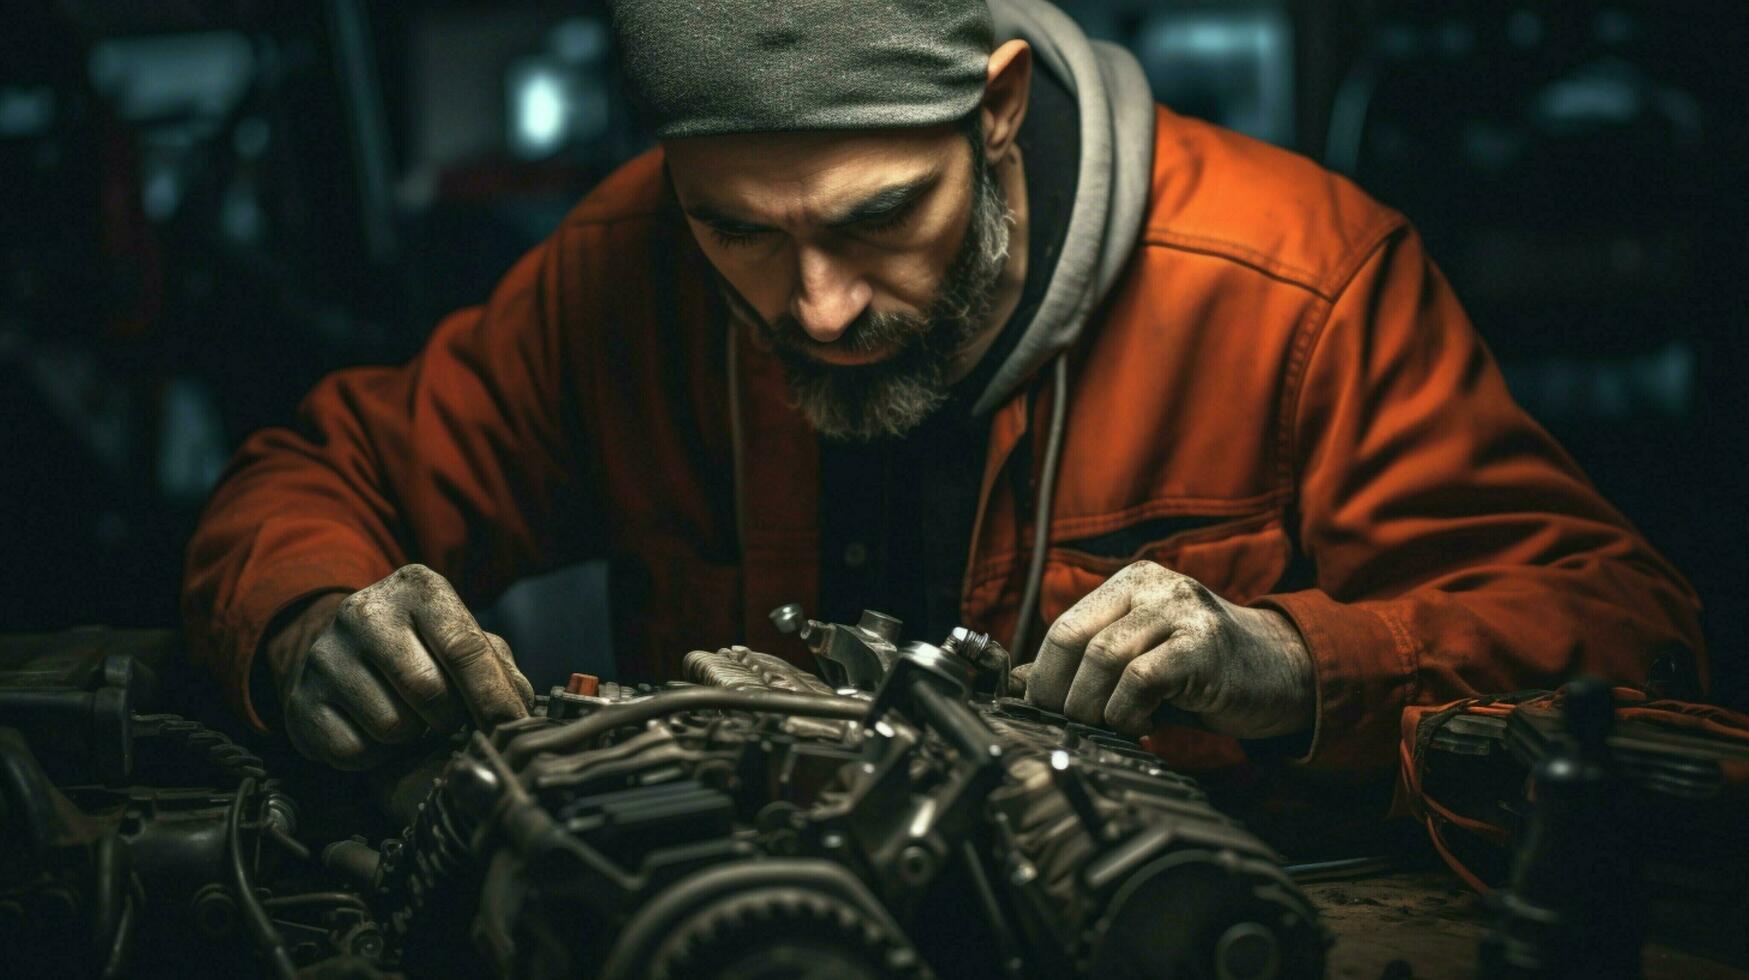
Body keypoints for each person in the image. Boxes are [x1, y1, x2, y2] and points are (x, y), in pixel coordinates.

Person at [182, 0, 1704, 774]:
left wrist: (1293, 662)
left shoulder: (1296, 276)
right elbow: (311, 480)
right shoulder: (624, 267)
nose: (816, 305)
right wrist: (314, 623)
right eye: (738, 231)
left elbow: (1625, 628)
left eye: (870, 217)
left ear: (998, 108)